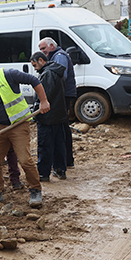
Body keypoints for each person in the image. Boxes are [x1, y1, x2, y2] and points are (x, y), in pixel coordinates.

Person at [0, 56, 50, 208]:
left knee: (25, 159)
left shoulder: (8, 75)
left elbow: (34, 81)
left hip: (19, 125)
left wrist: (44, 101)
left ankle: (35, 190)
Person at [38, 37, 76, 169]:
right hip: (62, 96)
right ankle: (65, 161)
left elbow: (60, 78)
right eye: (40, 49)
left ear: (52, 46)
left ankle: (65, 160)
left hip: (62, 97)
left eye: (44, 48)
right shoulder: (56, 56)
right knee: (62, 128)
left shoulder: (59, 56)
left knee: (61, 129)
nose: (43, 51)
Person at [30, 52, 68, 181]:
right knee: (59, 144)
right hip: (58, 115)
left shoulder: (47, 74)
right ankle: (60, 170)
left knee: (45, 146)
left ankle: (43, 174)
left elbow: (44, 96)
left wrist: (35, 112)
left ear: (41, 60)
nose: (35, 68)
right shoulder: (56, 71)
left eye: (35, 65)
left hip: (47, 117)